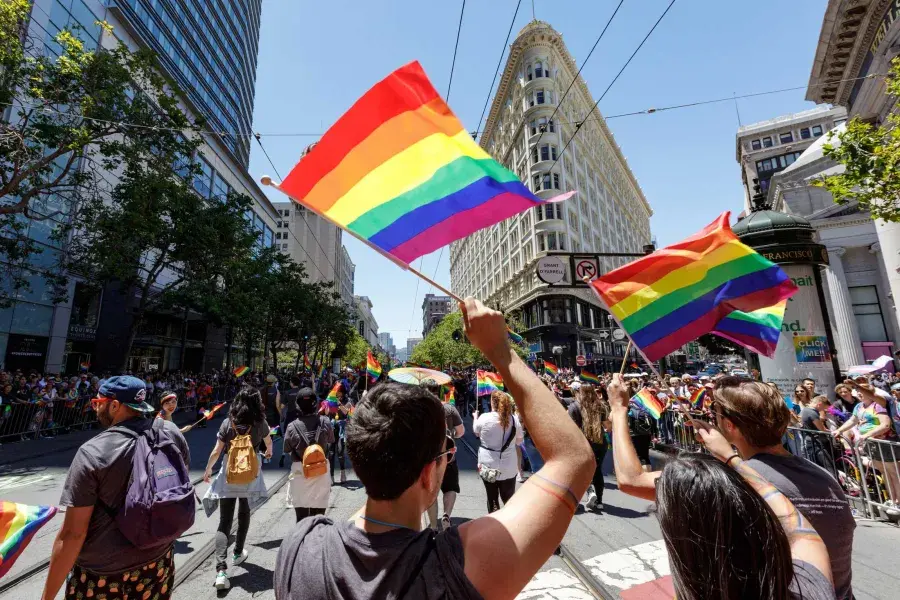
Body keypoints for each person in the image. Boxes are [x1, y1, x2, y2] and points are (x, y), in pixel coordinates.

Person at [274, 298, 595, 600]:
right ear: (430, 473)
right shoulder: (460, 567)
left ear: (359, 459)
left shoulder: (299, 545)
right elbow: (574, 458)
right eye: (447, 453)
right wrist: (500, 350)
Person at [612, 375, 855, 599]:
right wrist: (728, 456)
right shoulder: (824, 476)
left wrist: (619, 410)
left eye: (714, 412)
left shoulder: (732, 479)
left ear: (729, 426)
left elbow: (631, 480)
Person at [41, 376, 190, 600]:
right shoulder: (170, 432)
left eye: (97, 402)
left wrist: (47, 597)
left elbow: (73, 533)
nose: (95, 408)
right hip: (158, 564)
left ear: (114, 405)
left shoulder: (92, 453)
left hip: (103, 576)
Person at [202, 386, 273, 590]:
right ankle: (238, 553)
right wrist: (267, 454)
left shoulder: (228, 423)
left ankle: (221, 571)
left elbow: (217, 451)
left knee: (225, 522)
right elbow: (269, 444)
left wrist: (208, 469)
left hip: (228, 475)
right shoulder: (260, 423)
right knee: (244, 513)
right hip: (250, 475)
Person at [283, 387, 334, 522]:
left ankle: (302, 542)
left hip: (300, 472)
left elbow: (287, 449)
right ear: (315, 403)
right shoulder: (325, 422)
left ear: (297, 405)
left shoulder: (291, 426)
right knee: (319, 518)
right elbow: (331, 440)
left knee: (301, 519)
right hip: (321, 471)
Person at [423, 380, 465, 531]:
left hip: (428, 458)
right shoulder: (449, 408)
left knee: (431, 491)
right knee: (450, 487)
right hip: (447, 456)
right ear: (439, 391)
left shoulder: (419, 410)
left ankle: (434, 526)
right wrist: (451, 433)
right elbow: (461, 432)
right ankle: (447, 515)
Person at [473, 390, 524, 513]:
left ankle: (495, 522)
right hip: (508, 467)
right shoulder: (514, 420)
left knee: (492, 499)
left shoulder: (484, 418)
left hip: (488, 465)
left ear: (492, 403)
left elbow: (476, 431)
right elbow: (519, 441)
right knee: (508, 499)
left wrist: (475, 417)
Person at [568, 384, 611, 511]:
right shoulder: (600, 406)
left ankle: (590, 492)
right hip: (600, 442)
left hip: (583, 443)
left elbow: (572, 428)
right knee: (597, 470)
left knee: (582, 471)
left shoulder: (574, 406)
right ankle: (600, 502)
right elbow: (608, 427)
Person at [278, 375, 303, 468]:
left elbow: (282, 407)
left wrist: (281, 415)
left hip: (290, 416)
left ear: (292, 383)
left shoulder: (287, 393)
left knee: (287, 436)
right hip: (300, 416)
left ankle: (283, 455)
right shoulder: (301, 392)